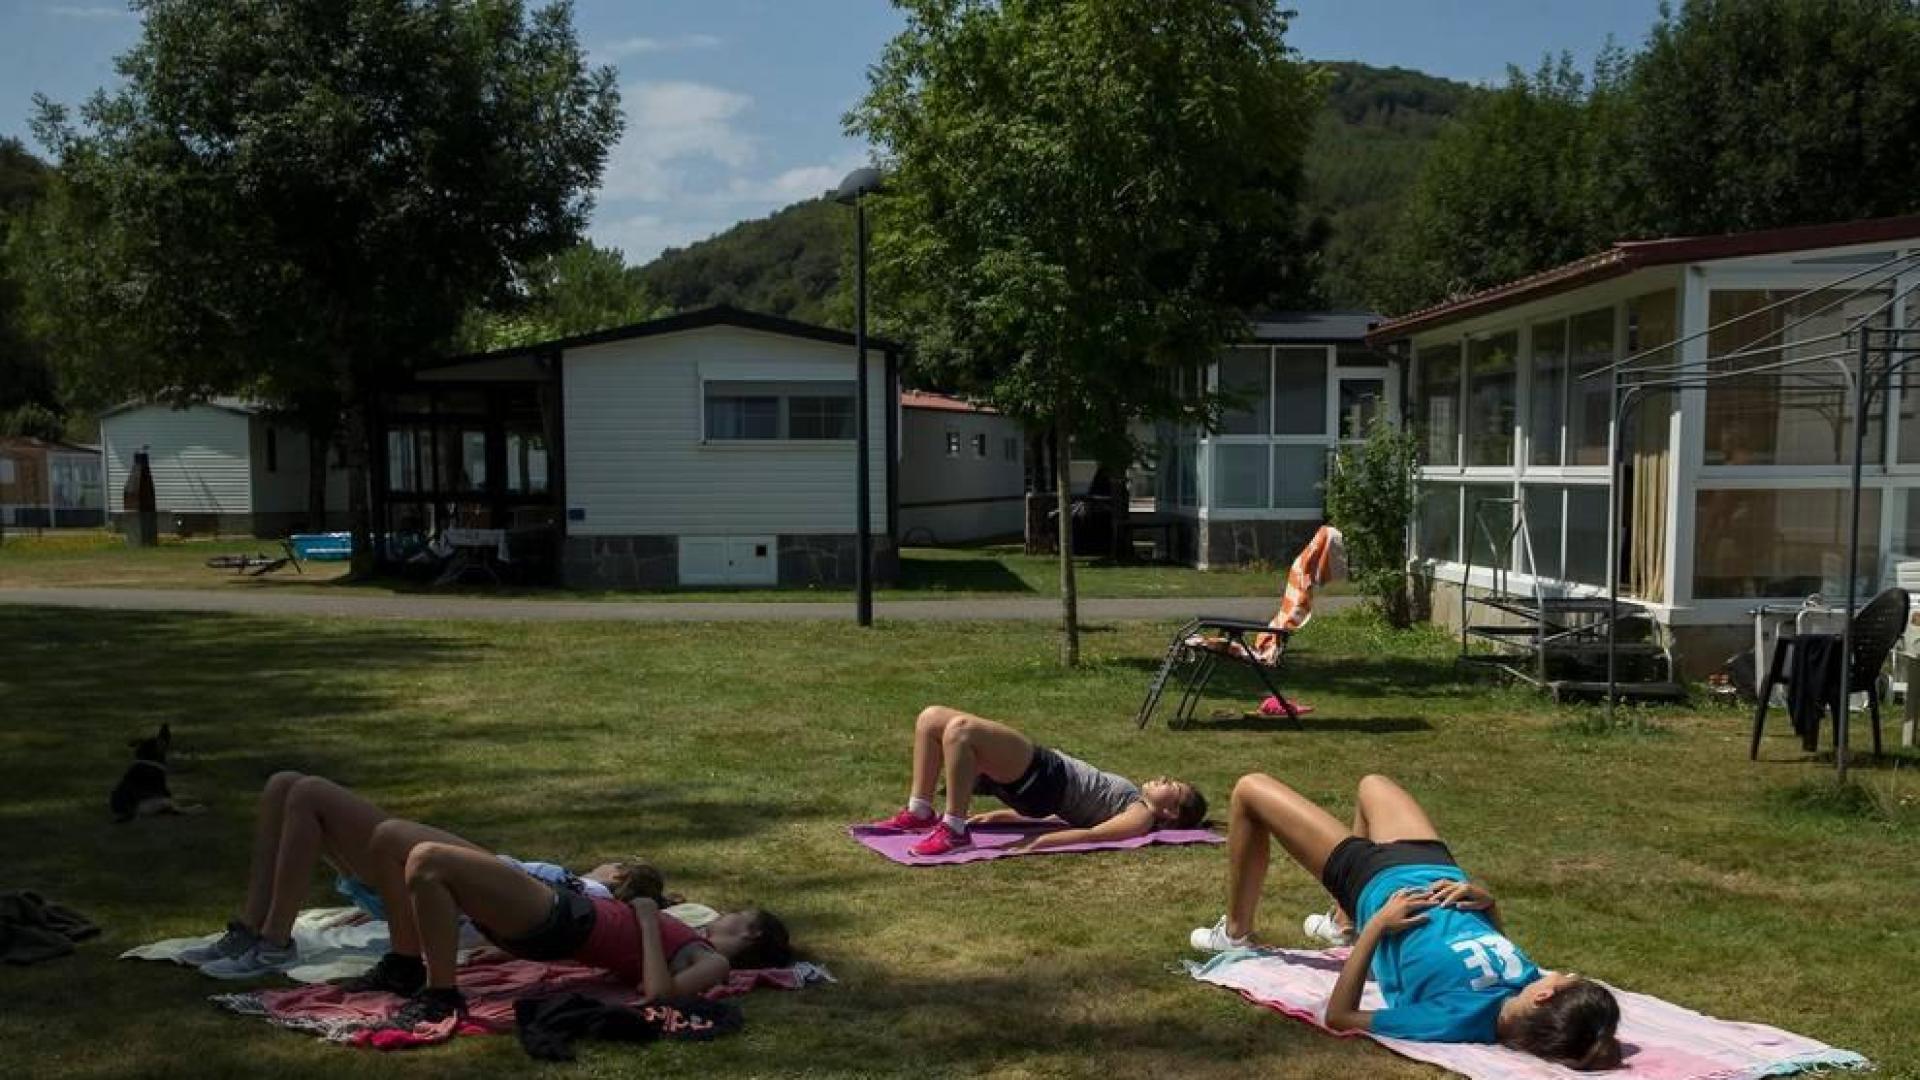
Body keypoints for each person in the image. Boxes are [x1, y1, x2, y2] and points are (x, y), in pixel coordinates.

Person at [1188, 772, 1621, 1070]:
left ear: (1545, 998)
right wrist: (1487, 903)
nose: (1563, 971)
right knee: (1372, 784)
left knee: (1250, 790)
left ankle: (1236, 934)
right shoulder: (1522, 982)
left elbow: (1340, 1017)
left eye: (1567, 978)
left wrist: (1375, 925)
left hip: (1375, 882)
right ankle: (1342, 924)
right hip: (1436, 866)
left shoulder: (1454, 1019)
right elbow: (1487, 937)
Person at [177, 774, 713, 989]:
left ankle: (272, 941)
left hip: (455, 896)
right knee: (287, 787)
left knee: (309, 792)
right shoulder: (592, 907)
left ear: (617, 876)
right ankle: (254, 928)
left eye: (611, 862)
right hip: (449, 887)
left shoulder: (589, 894)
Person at [378, 825, 790, 1028]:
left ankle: (440, 994)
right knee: (388, 836)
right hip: (554, 910)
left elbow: (658, 995)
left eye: (740, 915)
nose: (728, 914)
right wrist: (507, 951)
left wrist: (648, 920)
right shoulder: (696, 940)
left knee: (427, 859)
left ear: (752, 932)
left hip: (561, 918)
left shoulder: (714, 962)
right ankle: (406, 962)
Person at [867, 705, 1208, 857]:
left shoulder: (1142, 815)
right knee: (931, 719)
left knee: (961, 731)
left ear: (1172, 813)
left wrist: (1038, 844)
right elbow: (1070, 814)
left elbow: (1093, 834)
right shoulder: (1132, 800)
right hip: (1042, 780)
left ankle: (954, 831)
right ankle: (920, 811)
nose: (1164, 778)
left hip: (1046, 776)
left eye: (1172, 786)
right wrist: (1004, 819)